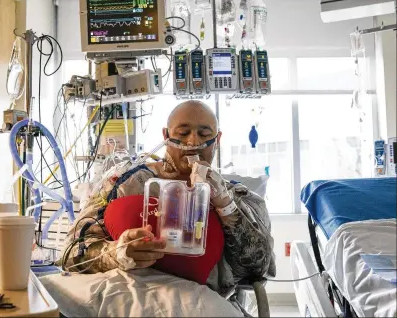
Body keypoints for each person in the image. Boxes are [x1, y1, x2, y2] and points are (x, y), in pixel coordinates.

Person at [59, 100, 276, 295]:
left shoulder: (239, 199)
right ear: (166, 136)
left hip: (205, 304)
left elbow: (259, 268)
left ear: (217, 139)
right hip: (129, 299)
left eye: (204, 134)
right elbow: (70, 252)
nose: (192, 142)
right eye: (183, 133)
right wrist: (116, 253)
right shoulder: (125, 185)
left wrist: (226, 206)